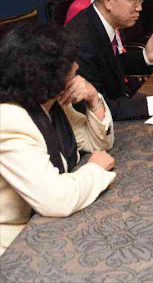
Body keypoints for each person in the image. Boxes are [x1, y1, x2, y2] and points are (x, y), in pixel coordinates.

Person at [0, 23, 115, 256]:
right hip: (15, 243)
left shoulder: (50, 103)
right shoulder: (10, 119)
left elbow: (97, 144)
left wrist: (93, 98)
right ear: (46, 76)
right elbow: (56, 199)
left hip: (51, 225)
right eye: (70, 64)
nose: (77, 67)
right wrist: (94, 168)